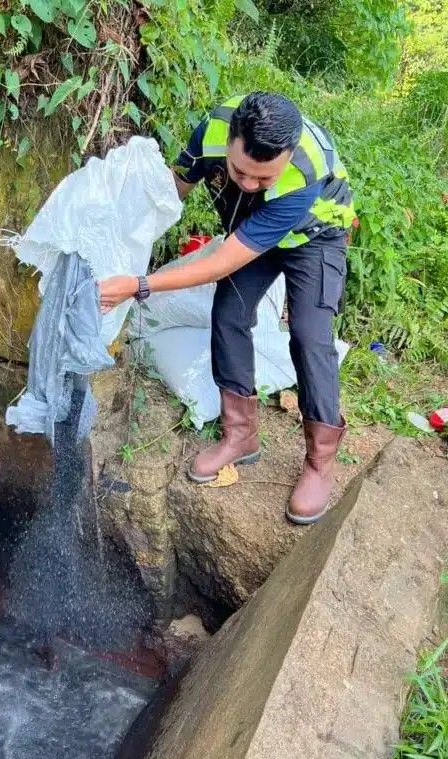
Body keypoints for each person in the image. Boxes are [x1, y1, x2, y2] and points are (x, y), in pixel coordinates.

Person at [98, 92, 356, 525]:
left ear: (288, 157)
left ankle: (319, 462)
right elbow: (174, 189)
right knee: (229, 315)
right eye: (240, 172)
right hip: (249, 232)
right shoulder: (214, 129)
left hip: (315, 237)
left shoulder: (305, 172)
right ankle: (241, 435)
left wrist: (139, 285)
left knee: (311, 338)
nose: (250, 185)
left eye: (264, 179)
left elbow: (222, 262)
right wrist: (119, 235)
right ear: (231, 139)